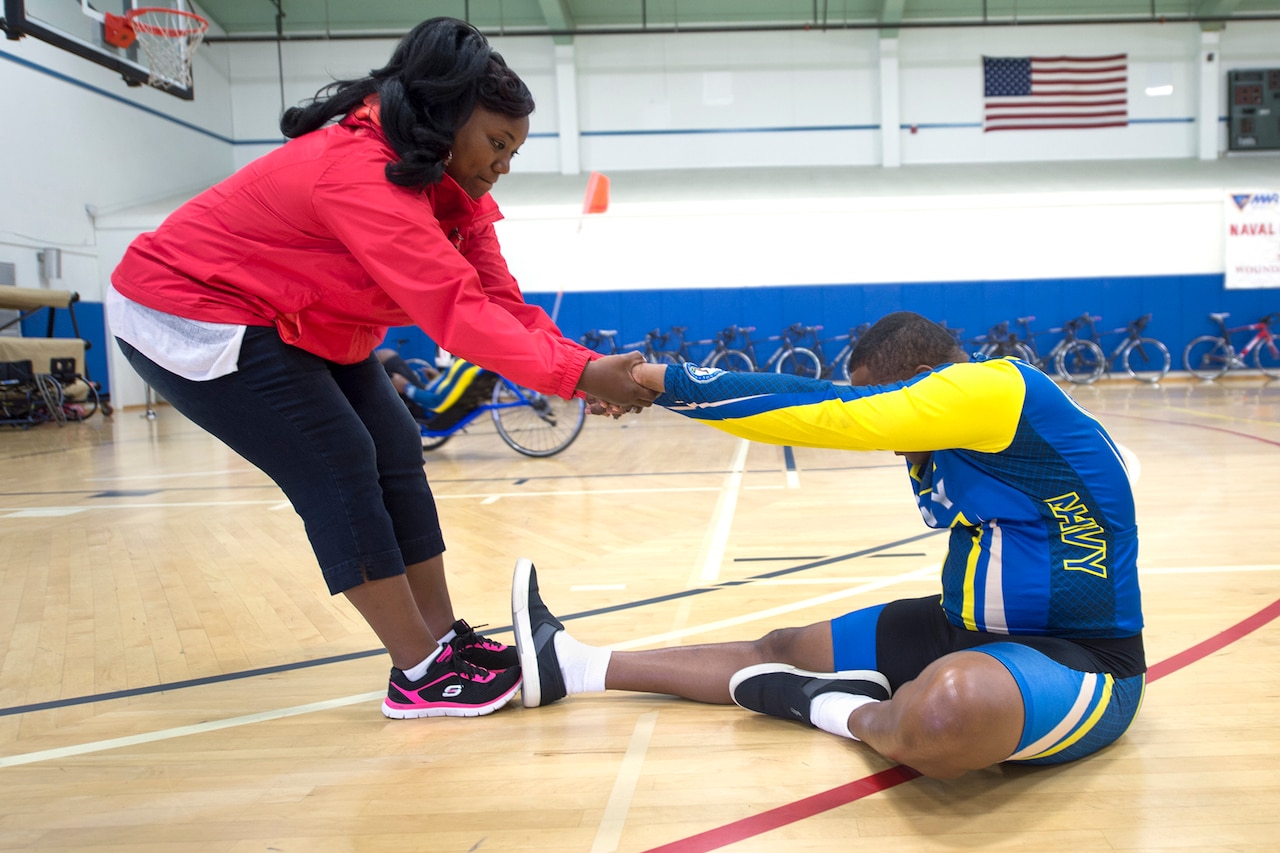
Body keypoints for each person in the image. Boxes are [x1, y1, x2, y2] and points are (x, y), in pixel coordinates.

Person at [106, 17, 656, 721]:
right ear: (448, 119)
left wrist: (584, 365)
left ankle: (442, 642)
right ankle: (419, 670)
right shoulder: (359, 174)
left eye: (514, 151)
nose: (502, 165)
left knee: (395, 443)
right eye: (495, 143)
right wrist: (579, 378)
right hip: (192, 307)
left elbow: (498, 302)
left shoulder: (459, 195)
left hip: (300, 317)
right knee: (338, 455)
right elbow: (456, 313)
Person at [512, 311, 1145, 779]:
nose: (888, 433)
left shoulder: (994, 390)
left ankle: (828, 707)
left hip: (1083, 656)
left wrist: (658, 380)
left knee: (950, 710)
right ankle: (573, 664)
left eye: (885, 397)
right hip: (963, 628)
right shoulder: (962, 434)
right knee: (781, 646)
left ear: (927, 382)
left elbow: (829, 410)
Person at [375, 348, 492, 426]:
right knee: (385, 355)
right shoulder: (470, 363)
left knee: (385, 356)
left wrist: (406, 387)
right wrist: (437, 378)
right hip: (426, 394)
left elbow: (437, 403)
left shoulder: (469, 370)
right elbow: (450, 386)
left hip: (424, 407)